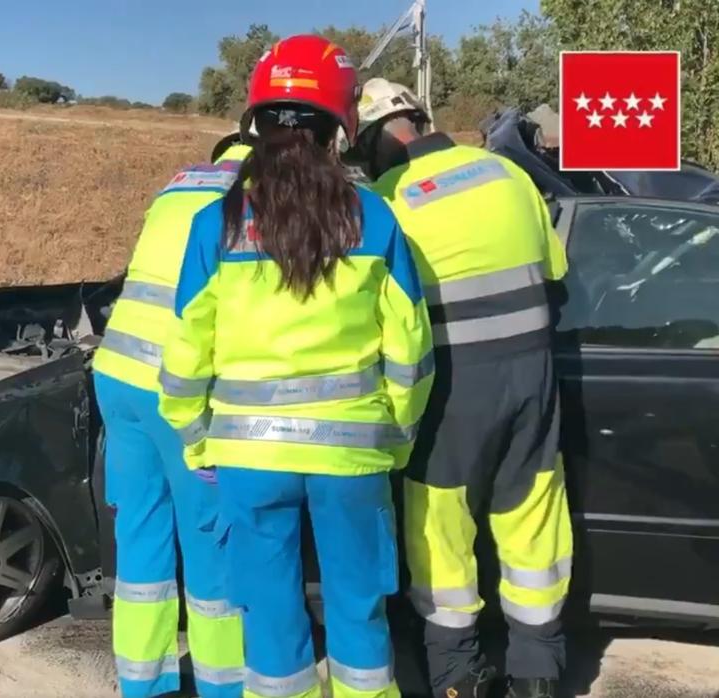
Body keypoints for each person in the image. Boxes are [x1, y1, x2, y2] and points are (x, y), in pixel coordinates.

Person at [159, 35, 435, 698]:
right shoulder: (375, 217)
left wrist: (195, 438)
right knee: (358, 611)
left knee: (270, 621)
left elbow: (186, 354)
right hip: (353, 456)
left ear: (256, 124)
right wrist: (395, 438)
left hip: (248, 460)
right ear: (338, 128)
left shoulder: (214, 225)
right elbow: (410, 352)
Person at [355, 78, 574, 698]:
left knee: (441, 532)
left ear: (376, 143)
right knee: (534, 519)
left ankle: (458, 677)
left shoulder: (388, 199)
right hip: (533, 377)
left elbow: (374, 316)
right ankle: (539, 673)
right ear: (421, 122)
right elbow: (556, 279)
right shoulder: (507, 174)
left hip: (449, 390)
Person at [89, 130, 251, 696]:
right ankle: (223, 685)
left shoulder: (178, 184)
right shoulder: (253, 195)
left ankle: (143, 683)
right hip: (176, 387)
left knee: (140, 536)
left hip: (117, 374)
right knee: (211, 541)